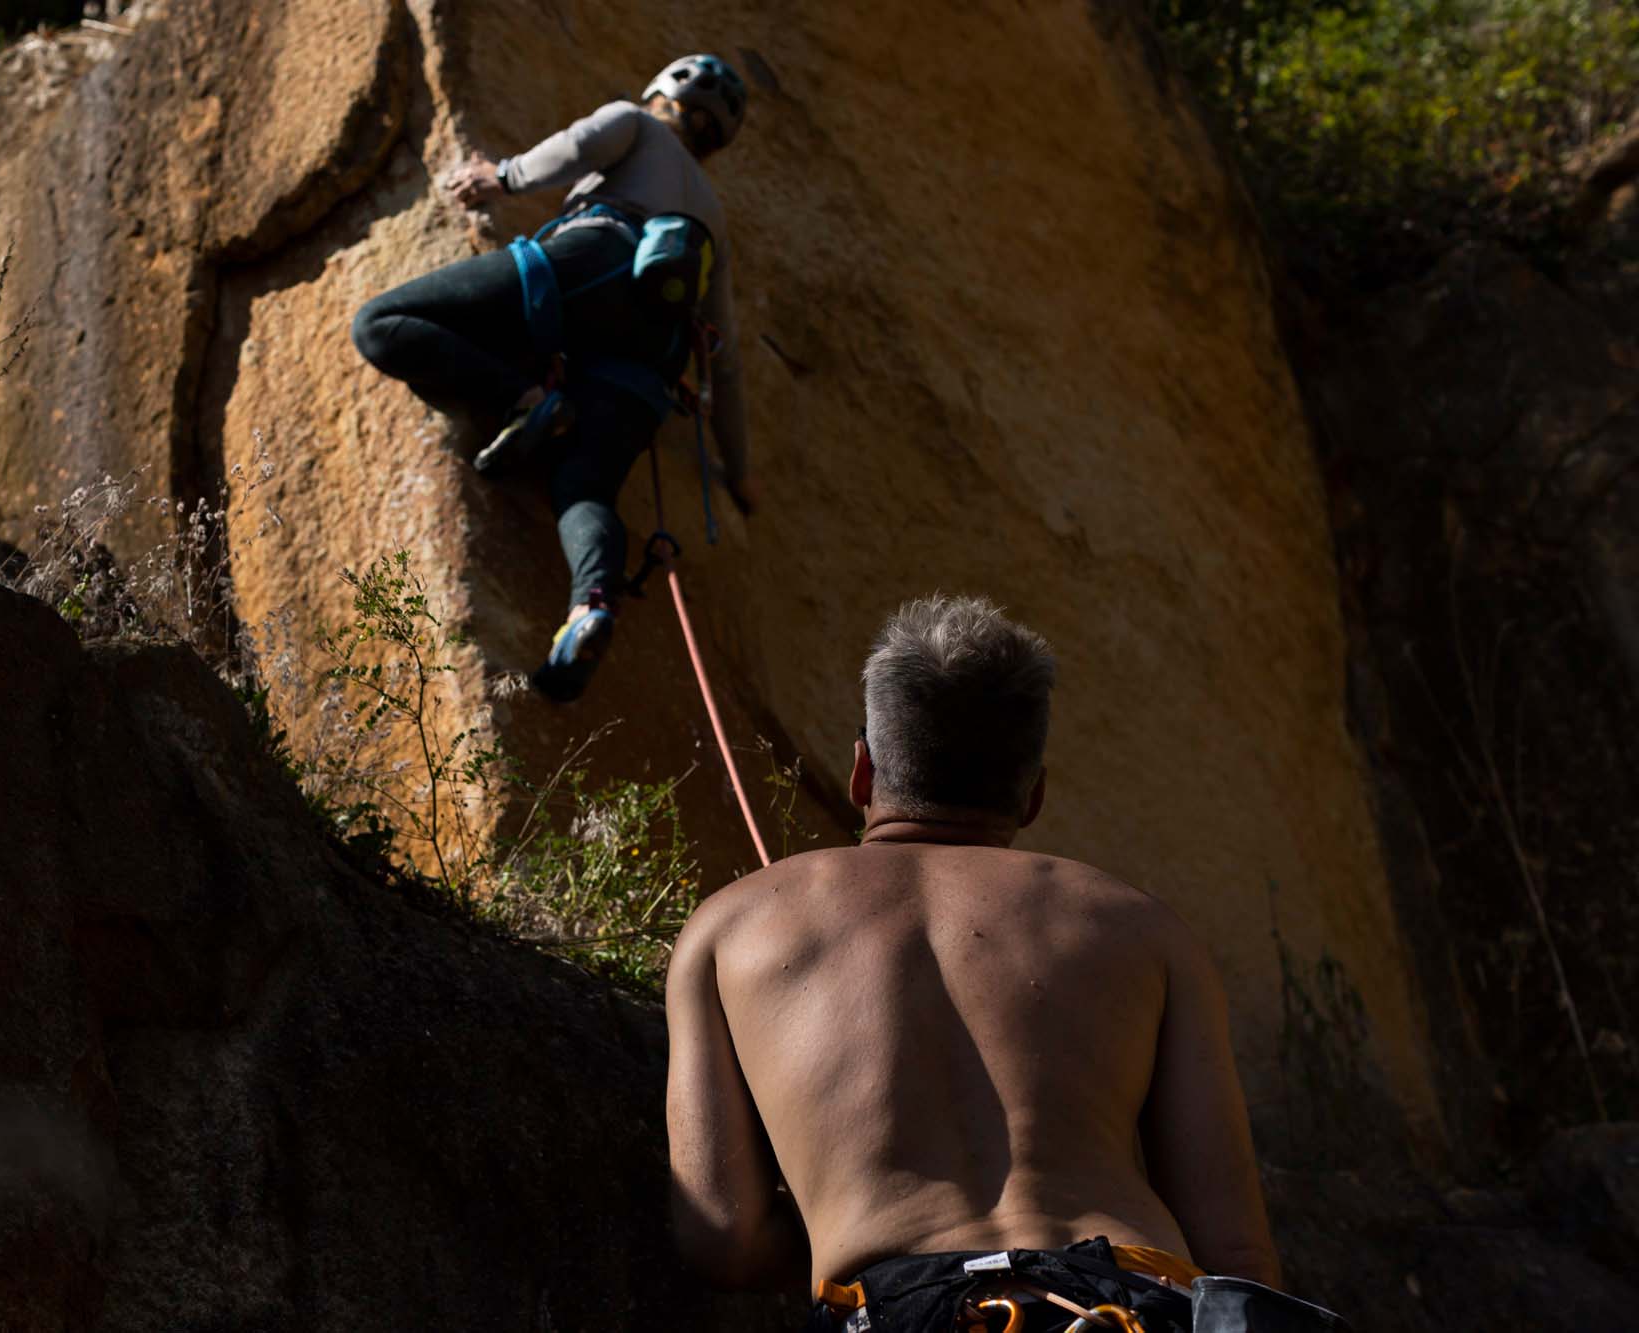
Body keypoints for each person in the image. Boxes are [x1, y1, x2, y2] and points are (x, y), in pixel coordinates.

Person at [666, 596, 1350, 1332]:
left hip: (898, 1310)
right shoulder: (1143, 929)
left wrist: (851, 1204)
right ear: (1034, 794)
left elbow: (721, 1239)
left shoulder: (727, 928)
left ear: (863, 771)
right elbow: (1236, 1254)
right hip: (1126, 1304)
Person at [350, 55, 757, 702]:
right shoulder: (711, 216)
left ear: (662, 96)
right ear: (715, 141)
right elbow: (725, 357)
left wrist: (500, 177)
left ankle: (524, 399)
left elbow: (577, 148)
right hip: (650, 359)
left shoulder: (634, 121)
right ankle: (590, 605)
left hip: (589, 266)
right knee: (583, 485)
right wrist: (738, 472)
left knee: (381, 323)